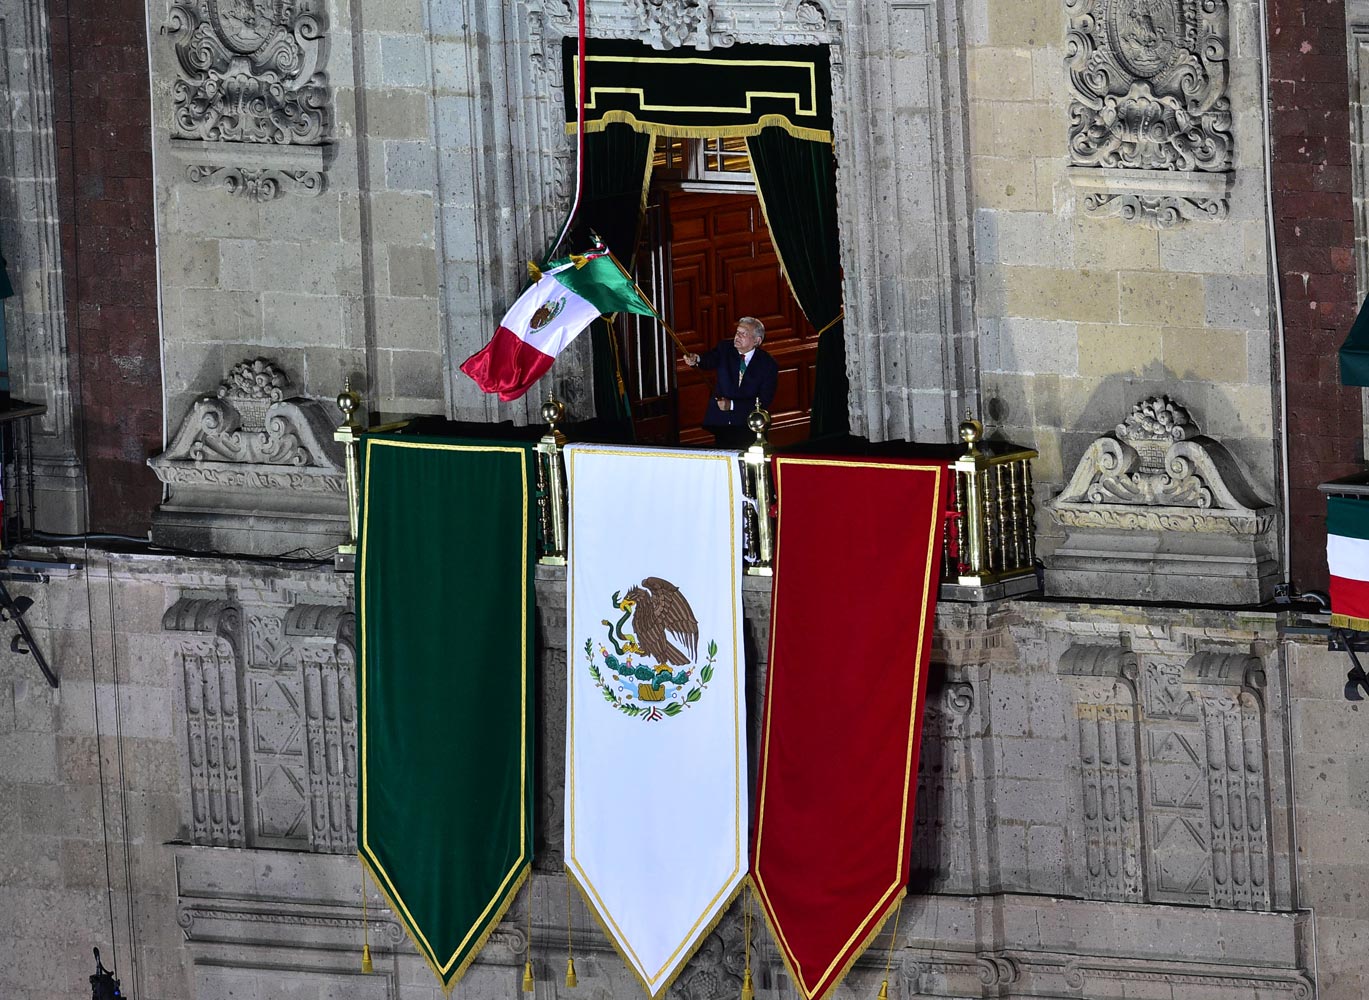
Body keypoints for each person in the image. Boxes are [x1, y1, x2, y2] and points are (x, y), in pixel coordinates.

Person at [684, 316, 779, 448]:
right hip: (721, 423)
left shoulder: (768, 364)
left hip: (749, 425)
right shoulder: (725, 348)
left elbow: (764, 400)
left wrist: (733, 405)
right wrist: (697, 359)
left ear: (757, 340)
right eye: (737, 332)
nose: (737, 336)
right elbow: (709, 359)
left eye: (743, 334)